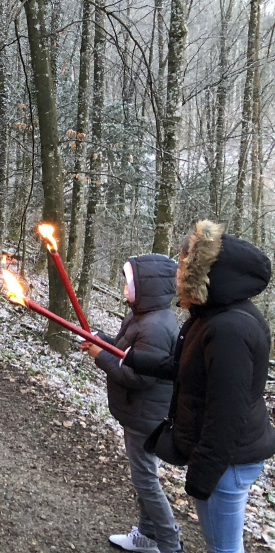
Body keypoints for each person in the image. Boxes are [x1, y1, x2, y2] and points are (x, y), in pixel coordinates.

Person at [123, 221, 275, 553]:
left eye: (181, 264)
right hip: (223, 455)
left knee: (224, 548)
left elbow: (227, 414)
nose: (176, 271)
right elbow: (185, 370)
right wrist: (129, 356)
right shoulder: (211, 317)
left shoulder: (229, 329)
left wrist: (202, 475)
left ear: (201, 272)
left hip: (228, 460)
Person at [82, 254, 181, 553]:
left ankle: (169, 544)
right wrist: (102, 339)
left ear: (148, 287)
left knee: (146, 481)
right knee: (143, 479)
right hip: (138, 412)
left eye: (131, 282)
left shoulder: (156, 326)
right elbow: (126, 351)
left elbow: (138, 376)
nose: (125, 287)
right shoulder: (141, 316)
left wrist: (100, 356)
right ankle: (148, 538)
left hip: (146, 416)